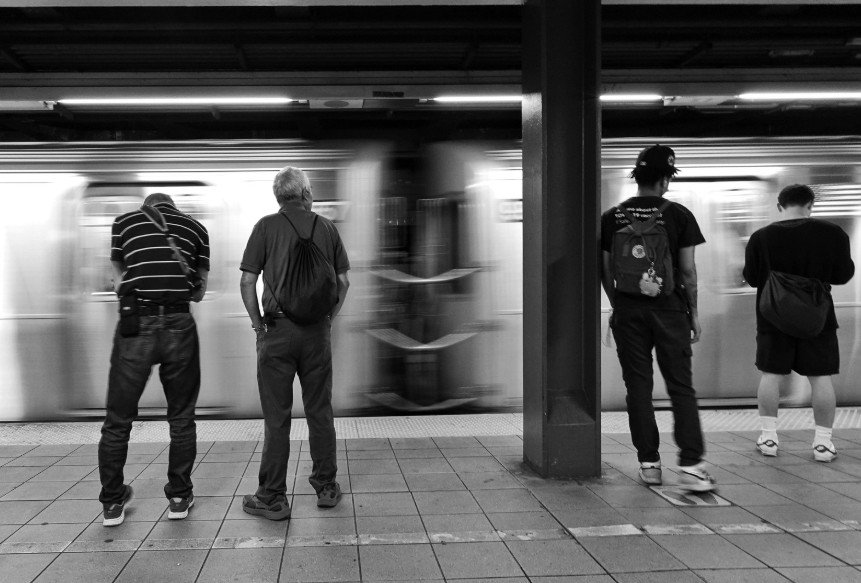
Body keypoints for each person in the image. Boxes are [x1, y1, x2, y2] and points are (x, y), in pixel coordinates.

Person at [600, 144, 716, 492]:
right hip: (669, 310)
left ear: (637, 177)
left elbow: (605, 271)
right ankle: (692, 467)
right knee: (681, 386)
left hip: (628, 311)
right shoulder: (679, 214)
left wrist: (618, 303)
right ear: (665, 179)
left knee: (638, 387)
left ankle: (649, 463)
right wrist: (693, 311)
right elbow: (688, 271)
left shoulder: (612, 216)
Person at [239, 166, 350, 520]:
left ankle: (272, 497)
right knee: (320, 410)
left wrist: (258, 327)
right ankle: (326, 487)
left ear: (279, 197)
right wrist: (329, 318)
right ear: (305, 194)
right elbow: (344, 282)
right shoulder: (327, 227)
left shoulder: (265, 227)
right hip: (316, 334)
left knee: (277, 418)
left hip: (277, 333)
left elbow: (246, 283)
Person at [99, 192, 209, 526]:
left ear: (147, 207)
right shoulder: (197, 228)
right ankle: (178, 497)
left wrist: (129, 286)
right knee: (181, 416)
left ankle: (113, 504)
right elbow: (200, 291)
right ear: (173, 208)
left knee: (118, 419)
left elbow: (117, 274)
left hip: (136, 326)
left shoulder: (124, 222)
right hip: (179, 324)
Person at [743, 184, 854, 462]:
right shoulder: (833, 233)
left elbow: (753, 278)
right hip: (818, 317)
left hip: (772, 316)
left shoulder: (761, 237)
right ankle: (823, 445)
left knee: (771, 375)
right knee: (820, 378)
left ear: (780, 206)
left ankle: (768, 439)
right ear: (810, 204)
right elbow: (843, 275)